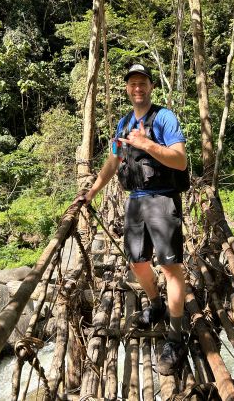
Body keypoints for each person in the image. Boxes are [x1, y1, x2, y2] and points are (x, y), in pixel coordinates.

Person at [81, 63, 188, 375]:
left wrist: (148, 145)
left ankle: (176, 336)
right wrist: (91, 192)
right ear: (127, 89)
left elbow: (180, 160)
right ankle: (156, 305)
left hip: (163, 197)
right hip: (135, 202)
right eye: (132, 83)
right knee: (137, 263)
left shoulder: (164, 117)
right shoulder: (124, 123)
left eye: (142, 82)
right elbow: (113, 161)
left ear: (150, 86)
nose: (137, 88)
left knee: (170, 267)